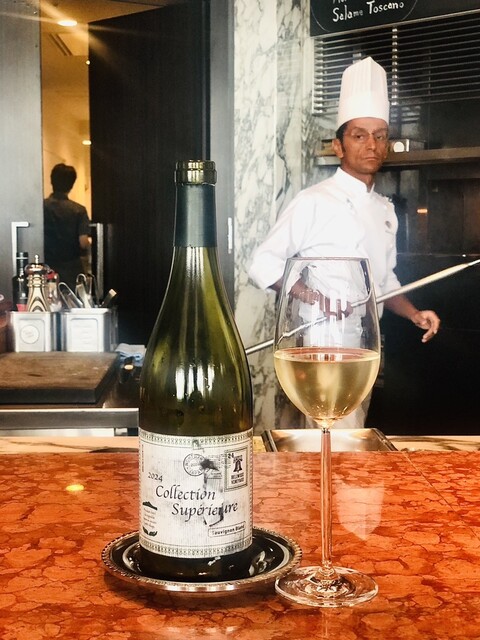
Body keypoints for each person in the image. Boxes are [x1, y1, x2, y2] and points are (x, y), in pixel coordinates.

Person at [248, 57, 440, 428]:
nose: (372, 145)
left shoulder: (385, 210)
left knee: (352, 433)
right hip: (320, 339)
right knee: (336, 435)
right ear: (339, 146)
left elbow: (384, 283)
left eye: (380, 136)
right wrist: (314, 297)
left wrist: (414, 313)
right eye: (359, 135)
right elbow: (262, 264)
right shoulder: (313, 201)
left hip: (366, 342)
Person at [44, 163, 91, 289]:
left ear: (51, 181)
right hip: (71, 268)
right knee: (73, 299)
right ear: (71, 185)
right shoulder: (79, 210)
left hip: (47, 266)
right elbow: (83, 242)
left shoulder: (41, 207)